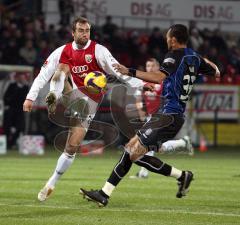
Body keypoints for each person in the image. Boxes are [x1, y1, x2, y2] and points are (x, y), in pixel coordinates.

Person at [80, 24, 220, 206]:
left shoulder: (173, 55)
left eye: (168, 37)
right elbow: (216, 72)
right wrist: (202, 59)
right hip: (169, 114)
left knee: (134, 153)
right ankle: (104, 193)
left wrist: (129, 71)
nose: (166, 39)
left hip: (169, 114)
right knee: (131, 149)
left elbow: (159, 77)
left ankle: (182, 175)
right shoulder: (194, 58)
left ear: (174, 39)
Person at [23, 16, 143, 202]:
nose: (85, 33)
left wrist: (141, 84)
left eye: (87, 30)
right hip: (72, 93)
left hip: (89, 104)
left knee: (72, 146)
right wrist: (30, 97)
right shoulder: (63, 51)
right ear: (73, 33)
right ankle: (54, 95)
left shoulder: (99, 51)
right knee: (60, 69)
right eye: (81, 30)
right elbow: (42, 75)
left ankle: (51, 183)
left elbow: (118, 71)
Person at [131, 58, 193, 179]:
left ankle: (143, 173)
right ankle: (183, 142)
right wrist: (141, 114)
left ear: (158, 67)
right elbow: (138, 99)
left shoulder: (163, 81)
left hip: (162, 116)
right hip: (150, 117)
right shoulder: (143, 82)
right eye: (148, 65)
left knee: (147, 144)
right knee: (157, 147)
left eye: (152, 65)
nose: (150, 68)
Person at [4, 73, 29, 148]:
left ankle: (12, 142)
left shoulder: (25, 87)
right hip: (11, 109)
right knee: (7, 126)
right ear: (17, 78)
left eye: (23, 77)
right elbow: (6, 98)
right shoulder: (12, 86)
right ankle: (7, 143)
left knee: (20, 127)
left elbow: (24, 99)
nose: (21, 79)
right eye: (20, 77)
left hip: (20, 110)